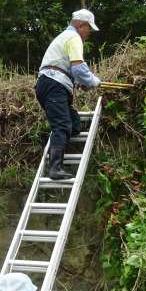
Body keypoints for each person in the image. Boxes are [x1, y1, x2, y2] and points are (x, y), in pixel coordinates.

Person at [35, 9, 102, 180]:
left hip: (51, 83)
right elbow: (78, 68)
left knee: (73, 124)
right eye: (89, 29)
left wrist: (80, 83)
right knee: (62, 126)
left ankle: (57, 147)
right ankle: (55, 168)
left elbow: (63, 68)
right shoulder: (74, 38)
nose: (89, 34)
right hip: (53, 85)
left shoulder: (64, 37)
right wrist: (92, 80)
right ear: (81, 25)